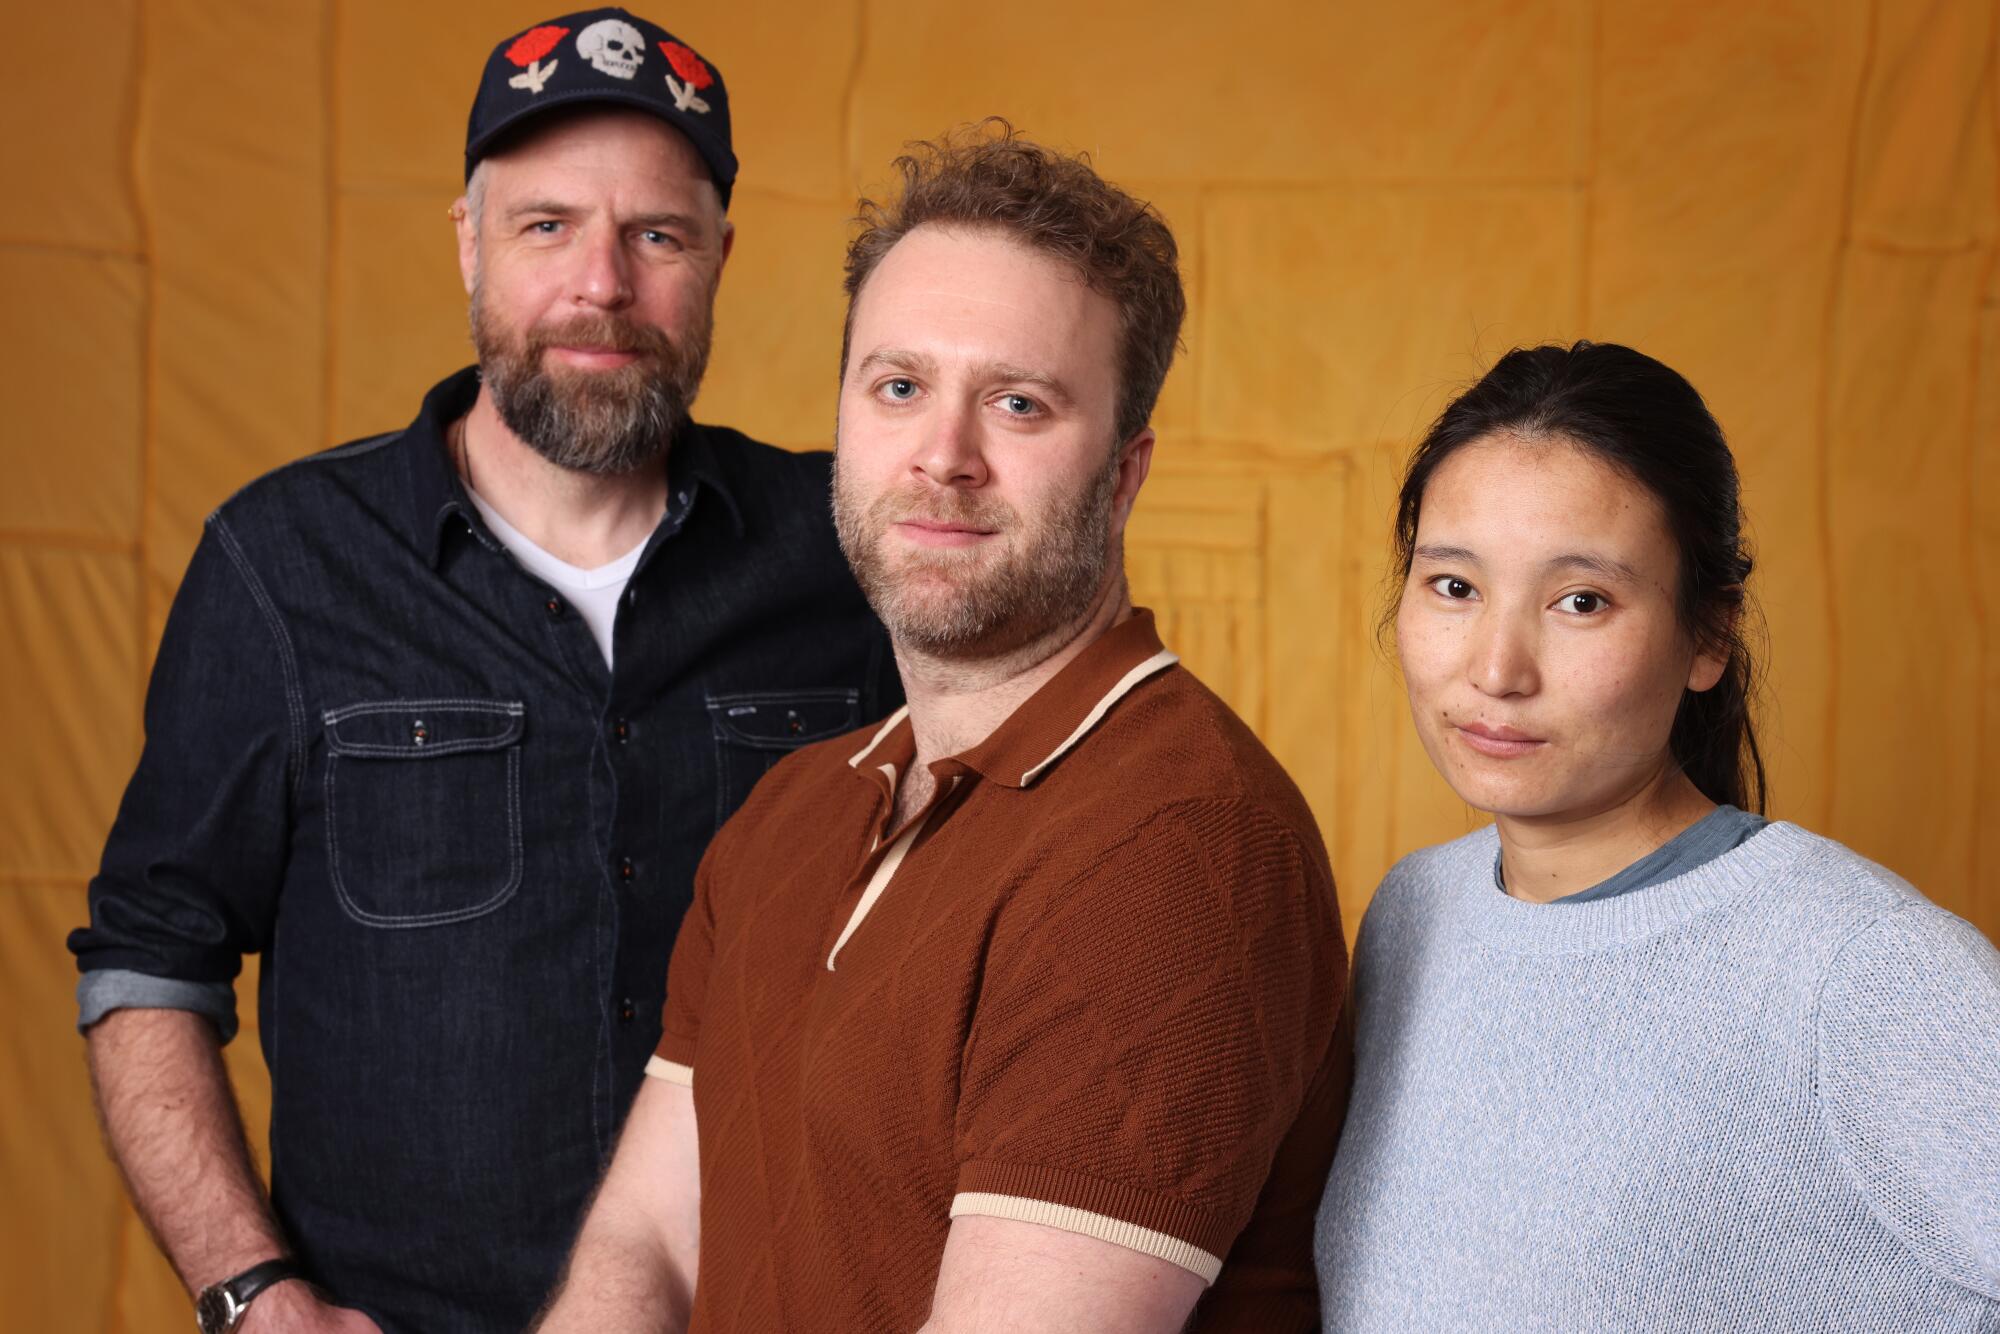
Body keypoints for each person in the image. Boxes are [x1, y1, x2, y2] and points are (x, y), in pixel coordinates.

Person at [67, 9, 899, 1332]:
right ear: (468, 241)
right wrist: (253, 1293)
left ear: (722, 260)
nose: (602, 286)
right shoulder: (285, 563)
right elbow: (148, 968)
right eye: (546, 225)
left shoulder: (853, 553)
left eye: (658, 235)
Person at [533, 123, 1352, 1333]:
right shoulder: (797, 808)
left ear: (1122, 475)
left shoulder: (1179, 844)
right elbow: (647, 1247)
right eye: (900, 386)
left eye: (1017, 404)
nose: (942, 457)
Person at [1314, 341, 2000, 1330]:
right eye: (1454, 586)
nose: (1495, 668)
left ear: (1707, 636)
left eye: (1579, 600)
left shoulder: (1863, 969)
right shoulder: (1413, 910)